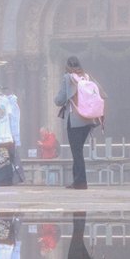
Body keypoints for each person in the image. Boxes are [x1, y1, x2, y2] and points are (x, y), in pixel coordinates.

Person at [55, 55, 99, 191]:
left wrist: (57, 99)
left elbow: (60, 99)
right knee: (78, 150)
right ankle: (77, 180)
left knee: (77, 152)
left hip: (75, 119)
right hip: (88, 119)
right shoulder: (86, 76)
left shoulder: (68, 78)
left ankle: (80, 182)